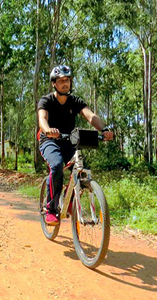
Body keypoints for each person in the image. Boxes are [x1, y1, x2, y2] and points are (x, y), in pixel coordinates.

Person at [38, 65, 113, 226]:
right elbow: (42, 119)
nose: (65, 83)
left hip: (69, 141)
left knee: (79, 169)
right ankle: (51, 209)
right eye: (61, 81)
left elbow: (90, 116)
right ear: (54, 83)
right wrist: (48, 130)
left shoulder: (75, 101)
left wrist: (104, 129)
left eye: (67, 80)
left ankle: (69, 200)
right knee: (57, 165)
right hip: (49, 141)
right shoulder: (46, 101)